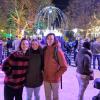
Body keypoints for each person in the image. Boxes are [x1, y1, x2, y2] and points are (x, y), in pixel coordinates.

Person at [43, 33, 68, 100]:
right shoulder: (45, 49)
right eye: (48, 38)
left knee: (55, 97)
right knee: (47, 97)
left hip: (55, 80)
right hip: (46, 79)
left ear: (54, 40)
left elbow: (64, 67)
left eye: (51, 39)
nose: (49, 40)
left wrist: (57, 75)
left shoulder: (58, 51)